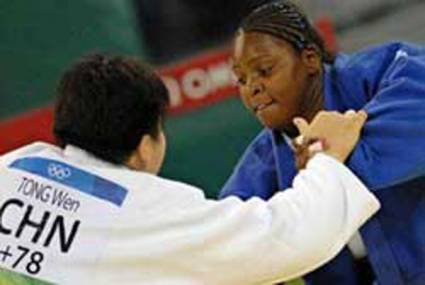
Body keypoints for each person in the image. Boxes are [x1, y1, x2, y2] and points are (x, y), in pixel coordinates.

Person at [0, 54, 379, 285]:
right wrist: (324, 156)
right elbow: (289, 236)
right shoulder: (144, 215)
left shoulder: (11, 169)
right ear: (145, 146)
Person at [220, 1, 425, 284]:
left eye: (265, 70)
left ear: (310, 59)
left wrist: (324, 162)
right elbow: (228, 243)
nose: (251, 87)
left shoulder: (385, 72)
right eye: (241, 79)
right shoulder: (264, 161)